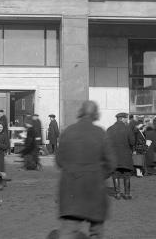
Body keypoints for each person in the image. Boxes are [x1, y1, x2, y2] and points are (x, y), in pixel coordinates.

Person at [55, 101, 115, 239]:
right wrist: (99, 175)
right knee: (96, 231)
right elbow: (111, 163)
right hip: (95, 189)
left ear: (80, 112)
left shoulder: (68, 131)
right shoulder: (100, 133)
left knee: (68, 230)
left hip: (71, 188)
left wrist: (72, 171)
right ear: (95, 114)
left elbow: (59, 161)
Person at [106, 112, 135, 200]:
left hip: (114, 156)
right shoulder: (127, 129)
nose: (127, 120)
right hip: (126, 156)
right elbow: (132, 142)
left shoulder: (110, 129)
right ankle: (126, 194)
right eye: (126, 118)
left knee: (115, 174)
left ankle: (117, 194)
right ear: (122, 119)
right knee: (126, 174)